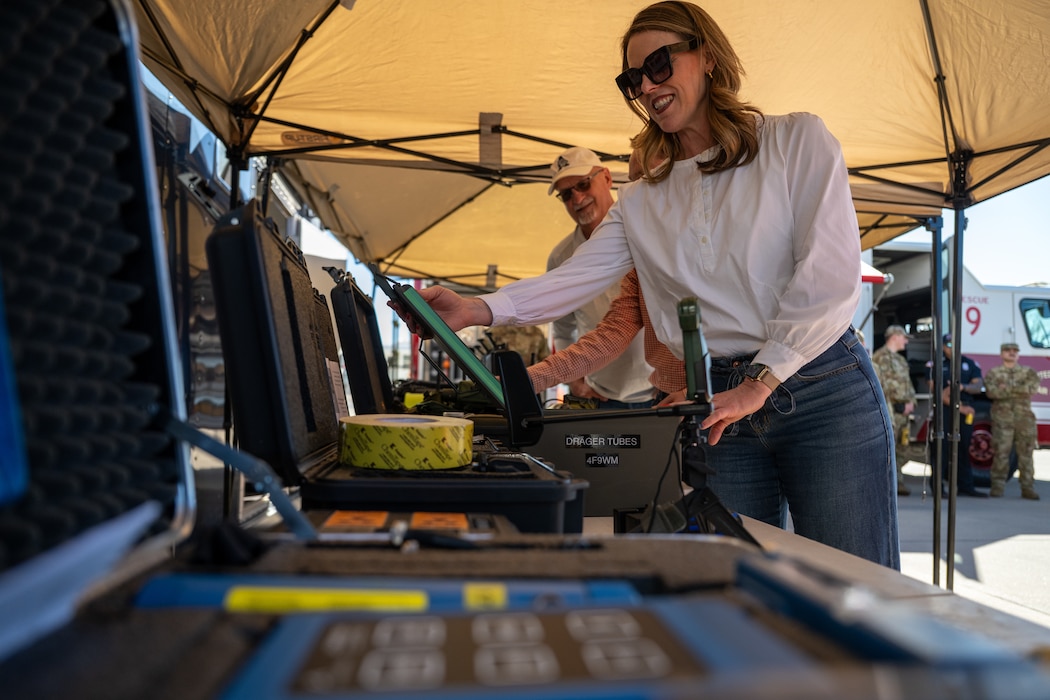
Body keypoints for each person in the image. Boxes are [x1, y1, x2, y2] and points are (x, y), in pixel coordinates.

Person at [402, 1, 899, 569]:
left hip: (822, 387)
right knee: (734, 586)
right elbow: (572, 281)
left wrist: (760, 382)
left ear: (707, 56)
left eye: (659, 64)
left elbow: (830, 276)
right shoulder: (642, 200)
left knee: (854, 589)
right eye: (633, 78)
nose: (647, 85)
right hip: (715, 404)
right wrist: (474, 308)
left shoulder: (796, 141)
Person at [543, 146, 655, 409]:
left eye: (583, 184)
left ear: (606, 177)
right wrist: (575, 382)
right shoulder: (561, 257)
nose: (577, 198)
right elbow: (562, 327)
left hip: (660, 393)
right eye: (566, 194)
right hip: (600, 397)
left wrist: (681, 379)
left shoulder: (648, 230)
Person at [927, 333, 987, 497]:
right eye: (948, 345)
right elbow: (938, 392)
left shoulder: (970, 364)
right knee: (942, 448)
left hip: (965, 410)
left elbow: (978, 386)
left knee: (963, 447)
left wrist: (963, 387)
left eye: (955, 344)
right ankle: (938, 487)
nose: (951, 348)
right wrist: (959, 407)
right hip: (945, 412)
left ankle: (966, 486)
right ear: (943, 347)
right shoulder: (936, 365)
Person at [984, 342, 1047, 500]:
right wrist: (1018, 389)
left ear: (1018, 354)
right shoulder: (994, 372)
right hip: (1002, 420)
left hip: (1024, 420)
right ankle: (997, 487)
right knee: (1001, 453)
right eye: (1007, 350)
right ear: (1001, 353)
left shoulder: (1028, 373)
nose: (1011, 353)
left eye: (1014, 351)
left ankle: (1027, 488)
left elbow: (1031, 389)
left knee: (1026, 454)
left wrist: (1005, 389)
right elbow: (992, 392)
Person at [871, 325, 916, 496]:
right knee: (889, 448)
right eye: (904, 337)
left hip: (904, 412)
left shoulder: (901, 360)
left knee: (903, 448)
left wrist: (911, 403)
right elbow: (882, 385)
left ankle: (898, 481)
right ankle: (888, 484)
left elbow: (907, 384)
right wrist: (898, 404)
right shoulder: (880, 358)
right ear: (895, 336)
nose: (906, 341)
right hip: (892, 410)